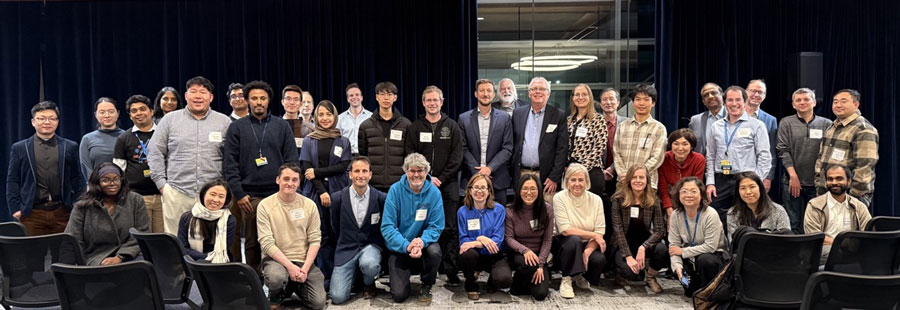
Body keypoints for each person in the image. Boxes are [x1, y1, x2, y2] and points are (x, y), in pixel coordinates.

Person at [223, 80, 299, 273]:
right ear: (247, 100)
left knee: (280, 240)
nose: (258, 102)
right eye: (254, 98)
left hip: (277, 194)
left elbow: (291, 161)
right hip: (248, 197)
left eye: (262, 98)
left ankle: (279, 282)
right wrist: (239, 194)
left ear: (268, 101)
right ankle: (253, 281)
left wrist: (287, 191)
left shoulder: (282, 126)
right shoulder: (236, 127)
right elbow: (229, 164)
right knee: (251, 243)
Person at [147, 76, 232, 235]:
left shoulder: (224, 122)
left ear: (211, 97)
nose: (198, 96)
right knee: (176, 241)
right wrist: (162, 184)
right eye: (193, 91)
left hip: (212, 194)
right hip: (177, 191)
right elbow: (154, 151)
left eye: (203, 92)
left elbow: (231, 156)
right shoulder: (170, 120)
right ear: (186, 96)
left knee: (210, 242)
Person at [405, 85, 464, 286]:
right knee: (422, 225)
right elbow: (410, 154)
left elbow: (458, 157)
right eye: (428, 100)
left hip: (448, 186)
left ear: (442, 102)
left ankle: (451, 270)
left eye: (435, 100)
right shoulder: (415, 127)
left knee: (449, 228)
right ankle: (426, 269)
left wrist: (441, 178)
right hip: (421, 185)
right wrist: (428, 177)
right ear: (423, 103)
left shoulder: (452, 126)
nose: (432, 103)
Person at [7, 101, 85, 235]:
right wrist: (15, 209)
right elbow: (13, 180)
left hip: (62, 212)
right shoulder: (20, 148)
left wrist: (75, 205)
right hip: (32, 213)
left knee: (63, 253)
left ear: (57, 121)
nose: (47, 122)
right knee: (33, 255)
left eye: (51, 118)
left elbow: (77, 178)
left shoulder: (70, 146)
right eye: (41, 118)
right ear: (33, 121)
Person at [257, 163, 326, 310]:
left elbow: (315, 239)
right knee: (276, 278)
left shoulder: (309, 205)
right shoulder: (265, 205)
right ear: (278, 180)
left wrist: (305, 268)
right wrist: (290, 267)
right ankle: (277, 292)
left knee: (319, 303)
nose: (290, 183)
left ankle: (291, 286)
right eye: (286, 179)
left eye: (294, 180)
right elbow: (266, 243)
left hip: (303, 260)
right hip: (276, 260)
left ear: (299, 182)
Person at [300, 99, 352, 290]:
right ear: (316, 116)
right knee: (320, 237)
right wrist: (322, 191)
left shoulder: (343, 140)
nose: (324, 118)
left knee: (338, 233)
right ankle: (324, 278)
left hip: (339, 192)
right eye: (320, 114)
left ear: (335, 116)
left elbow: (343, 166)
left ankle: (342, 277)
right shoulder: (309, 140)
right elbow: (306, 169)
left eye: (328, 114)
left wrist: (319, 173)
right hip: (315, 194)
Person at [380, 153, 444, 303]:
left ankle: (427, 284)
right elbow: (388, 227)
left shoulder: (434, 193)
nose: (416, 175)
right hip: (401, 245)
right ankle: (401, 280)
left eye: (420, 170)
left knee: (435, 252)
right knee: (399, 296)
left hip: (424, 244)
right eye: (412, 171)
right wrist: (407, 246)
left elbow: (436, 226)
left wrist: (421, 242)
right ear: (406, 171)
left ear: (426, 171)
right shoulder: (395, 190)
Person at [704, 86, 772, 223]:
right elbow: (710, 156)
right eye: (730, 100)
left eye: (738, 100)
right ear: (724, 103)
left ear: (745, 101)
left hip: (746, 179)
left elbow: (765, 156)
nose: (734, 104)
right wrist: (710, 182)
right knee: (717, 219)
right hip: (720, 180)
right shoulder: (716, 126)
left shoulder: (757, 125)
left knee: (746, 219)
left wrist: (756, 181)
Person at [65, 162, 149, 266]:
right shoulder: (82, 206)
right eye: (106, 180)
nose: (112, 183)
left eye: (116, 179)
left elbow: (142, 233)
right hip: (94, 257)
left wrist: (120, 257)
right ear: (97, 182)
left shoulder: (135, 200)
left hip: (129, 255)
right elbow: (73, 240)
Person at [329, 156, 387, 304]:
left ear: (370, 174)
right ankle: (354, 276)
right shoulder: (337, 199)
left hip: (370, 246)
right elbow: (335, 226)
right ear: (350, 174)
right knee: (337, 297)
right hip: (346, 248)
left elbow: (383, 227)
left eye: (364, 171)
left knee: (370, 264)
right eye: (357, 171)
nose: (361, 175)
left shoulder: (381, 198)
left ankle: (368, 282)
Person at [776, 88, 832, 233]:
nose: (802, 103)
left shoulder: (827, 124)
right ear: (793, 104)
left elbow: (829, 153)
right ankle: (794, 256)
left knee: (817, 225)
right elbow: (783, 151)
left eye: (806, 99)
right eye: (798, 100)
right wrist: (793, 177)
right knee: (793, 224)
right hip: (792, 183)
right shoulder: (786, 123)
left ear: (814, 102)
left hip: (818, 183)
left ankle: (815, 256)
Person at [814, 89, 879, 208]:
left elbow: (865, 167)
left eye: (843, 101)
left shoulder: (863, 129)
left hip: (849, 196)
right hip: (827, 192)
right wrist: (819, 183)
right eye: (835, 102)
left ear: (856, 104)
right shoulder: (832, 127)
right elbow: (821, 157)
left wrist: (854, 197)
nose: (838, 105)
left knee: (849, 227)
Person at [552, 163, 607, 299]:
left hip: (587, 243)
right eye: (573, 180)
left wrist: (587, 252)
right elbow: (565, 230)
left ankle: (578, 275)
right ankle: (566, 279)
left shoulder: (596, 200)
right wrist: (593, 234)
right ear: (566, 181)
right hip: (563, 244)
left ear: (587, 181)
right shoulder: (559, 198)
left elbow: (600, 231)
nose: (577, 184)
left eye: (581, 180)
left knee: (599, 259)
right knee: (574, 240)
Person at [609, 164, 667, 293]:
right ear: (629, 179)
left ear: (647, 180)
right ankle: (619, 272)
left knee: (662, 249)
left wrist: (644, 247)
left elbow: (660, 230)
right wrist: (628, 255)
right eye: (634, 177)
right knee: (630, 274)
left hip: (644, 244)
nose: (638, 181)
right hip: (623, 244)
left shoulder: (654, 200)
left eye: (642, 177)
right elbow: (618, 230)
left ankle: (650, 276)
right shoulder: (618, 199)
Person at [668, 176, 727, 297]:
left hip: (712, 257)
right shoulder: (676, 215)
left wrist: (683, 251)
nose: (689, 195)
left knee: (705, 260)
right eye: (684, 191)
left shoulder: (710, 214)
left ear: (701, 195)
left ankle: (711, 290)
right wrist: (677, 267)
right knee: (690, 292)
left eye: (693, 191)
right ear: (678, 195)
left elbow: (710, 247)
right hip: (690, 258)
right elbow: (674, 246)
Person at [512, 77, 568, 202]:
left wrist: (554, 177)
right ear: (529, 93)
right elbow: (513, 144)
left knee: (546, 215)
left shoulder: (558, 115)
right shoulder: (518, 113)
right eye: (534, 89)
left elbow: (562, 149)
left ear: (548, 93)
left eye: (542, 89)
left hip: (547, 178)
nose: (538, 92)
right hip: (522, 175)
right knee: (522, 213)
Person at [113, 95, 163, 232]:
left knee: (164, 239)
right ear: (130, 116)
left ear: (152, 111)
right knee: (144, 239)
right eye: (134, 111)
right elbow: (118, 169)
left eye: (142, 109)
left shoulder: (164, 133)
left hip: (164, 196)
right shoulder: (124, 138)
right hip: (137, 197)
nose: (138, 113)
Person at [456, 174, 512, 300]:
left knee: (504, 280)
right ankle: (470, 283)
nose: (479, 191)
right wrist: (481, 239)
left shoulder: (499, 210)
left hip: (494, 254)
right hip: (474, 255)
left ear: (489, 191)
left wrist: (477, 240)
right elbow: (463, 241)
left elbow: (497, 241)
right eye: (476, 187)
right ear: (470, 190)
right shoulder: (462, 212)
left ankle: (492, 282)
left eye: (483, 188)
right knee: (466, 254)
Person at [459, 79, 514, 206]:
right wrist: (478, 172)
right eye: (482, 90)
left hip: (498, 179)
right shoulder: (464, 119)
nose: (485, 94)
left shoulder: (505, 118)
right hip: (472, 179)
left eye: (489, 90)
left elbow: (507, 148)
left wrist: (489, 168)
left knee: (498, 220)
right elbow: (463, 148)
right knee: (473, 220)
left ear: (494, 94)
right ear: (476, 94)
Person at [804, 165, 872, 262]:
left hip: (852, 250)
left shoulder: (859, 206)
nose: (834, 182)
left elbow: (867, 234)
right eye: (830, 179)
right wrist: (842, 244)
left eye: (839, 179)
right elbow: (814, 237)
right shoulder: (814, 205)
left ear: (848, 181)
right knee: (836, 253)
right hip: (825, 250)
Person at [505, 174, 552, 301]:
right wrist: (525, 250)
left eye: (533, 189)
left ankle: (531, 277)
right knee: (529, 268)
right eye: (525, 189)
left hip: (539, 255)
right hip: (519, 254)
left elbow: (547, 239)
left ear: (539, 191)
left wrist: (541, 265)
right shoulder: (510, 210)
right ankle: (520, 281)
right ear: (519, 190)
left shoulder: (547, 209)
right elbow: (509, 238)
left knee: (540, 294)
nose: (529, 192)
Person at [358, 81, 411, 192]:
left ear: (395, 98)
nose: (386, 98)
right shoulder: (365, 126)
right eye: (382, 94)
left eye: (390, 94)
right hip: (373, 185)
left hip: (399, 184)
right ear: (377, 97)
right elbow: (363, 156)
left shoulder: (406, 125)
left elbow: (409, 156)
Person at [613, 84, 667, 190]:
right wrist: (624, 174)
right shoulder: (622, 126)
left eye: (646, 100)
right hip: (623, 182)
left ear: (653, 103)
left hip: (647, 183)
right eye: (638, 99)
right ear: (633, 102)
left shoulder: (659, 128)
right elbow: (616, 153)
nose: (641, 103)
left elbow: (657, 157)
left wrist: (636, 176)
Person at [178, 179, 236, 263]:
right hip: (192, 263)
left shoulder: (229, 220)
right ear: (203, 195)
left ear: (226, 200)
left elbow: (225, 249)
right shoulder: (187, 217)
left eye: (221, 196)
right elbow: (183, 248)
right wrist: (206, 258)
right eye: (212, 194)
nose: (216, 200)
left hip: (220, 264)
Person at [567, 83, 609, 197]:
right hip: (571, 173)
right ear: (573, 98)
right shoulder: (569, 120)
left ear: (590, 97)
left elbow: (600, 146)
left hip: (591, 172)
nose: (580, 97)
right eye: (577, 95)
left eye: (584, 94)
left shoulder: (597, 119)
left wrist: (583, 168)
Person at [725, 172, 790, 243]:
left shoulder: (778, 210)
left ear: (760, 188)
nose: (748, 192)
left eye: (752, 187)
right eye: (743, 188)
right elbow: (733, 243)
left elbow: (786, 240)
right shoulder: (733, 213)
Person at [657, 128, 706, 216]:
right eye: (676, 144)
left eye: (685, 144)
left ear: (691, 146)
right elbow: (663, 188)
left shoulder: (699, 159)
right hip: (668, 200)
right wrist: (669, 211)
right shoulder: (663, 158)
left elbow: (696, 187)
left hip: (691, 198)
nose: (680, 148)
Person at [745, 80, 778, 192]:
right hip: (736, 172)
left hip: (760, 174)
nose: (756, 95)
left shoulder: (771, 120)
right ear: (745, 92)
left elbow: (772, 151)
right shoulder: (733, 116)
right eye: (753, 91)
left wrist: (768, 177)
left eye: (760, 92)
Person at [80, 97, 124, 178]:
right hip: (96, 187)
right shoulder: (87, 139)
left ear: (117, 113)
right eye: (102, 112)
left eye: (111, 112)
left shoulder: (126, 136)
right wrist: (95, 184)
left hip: (123, 185)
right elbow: (85, 167)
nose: (107, 115)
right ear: (95, 115)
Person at [688, 83, 726, 154]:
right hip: (705, 163)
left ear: (722, 96)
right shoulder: (695, 120)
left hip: (730, 162)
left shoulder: (734, 116)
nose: (710, 96)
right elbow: (690, 144)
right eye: (706, 95)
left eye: (713, 93)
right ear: (703, 102)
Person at [336, 83, 373, 156]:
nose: (354, 97)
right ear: (347, 99)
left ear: (362, 97)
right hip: (347, 158)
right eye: (351, 95)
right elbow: (337, 141)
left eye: (357, 95)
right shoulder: (340, 118)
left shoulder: (371, 117)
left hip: (366, 157)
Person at [281, 85, 315, 152]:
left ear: (301, 103)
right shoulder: (273, 126)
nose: (292, 102)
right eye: (288, 99)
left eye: (296, 99)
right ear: (282, 102)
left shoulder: (309, 130)